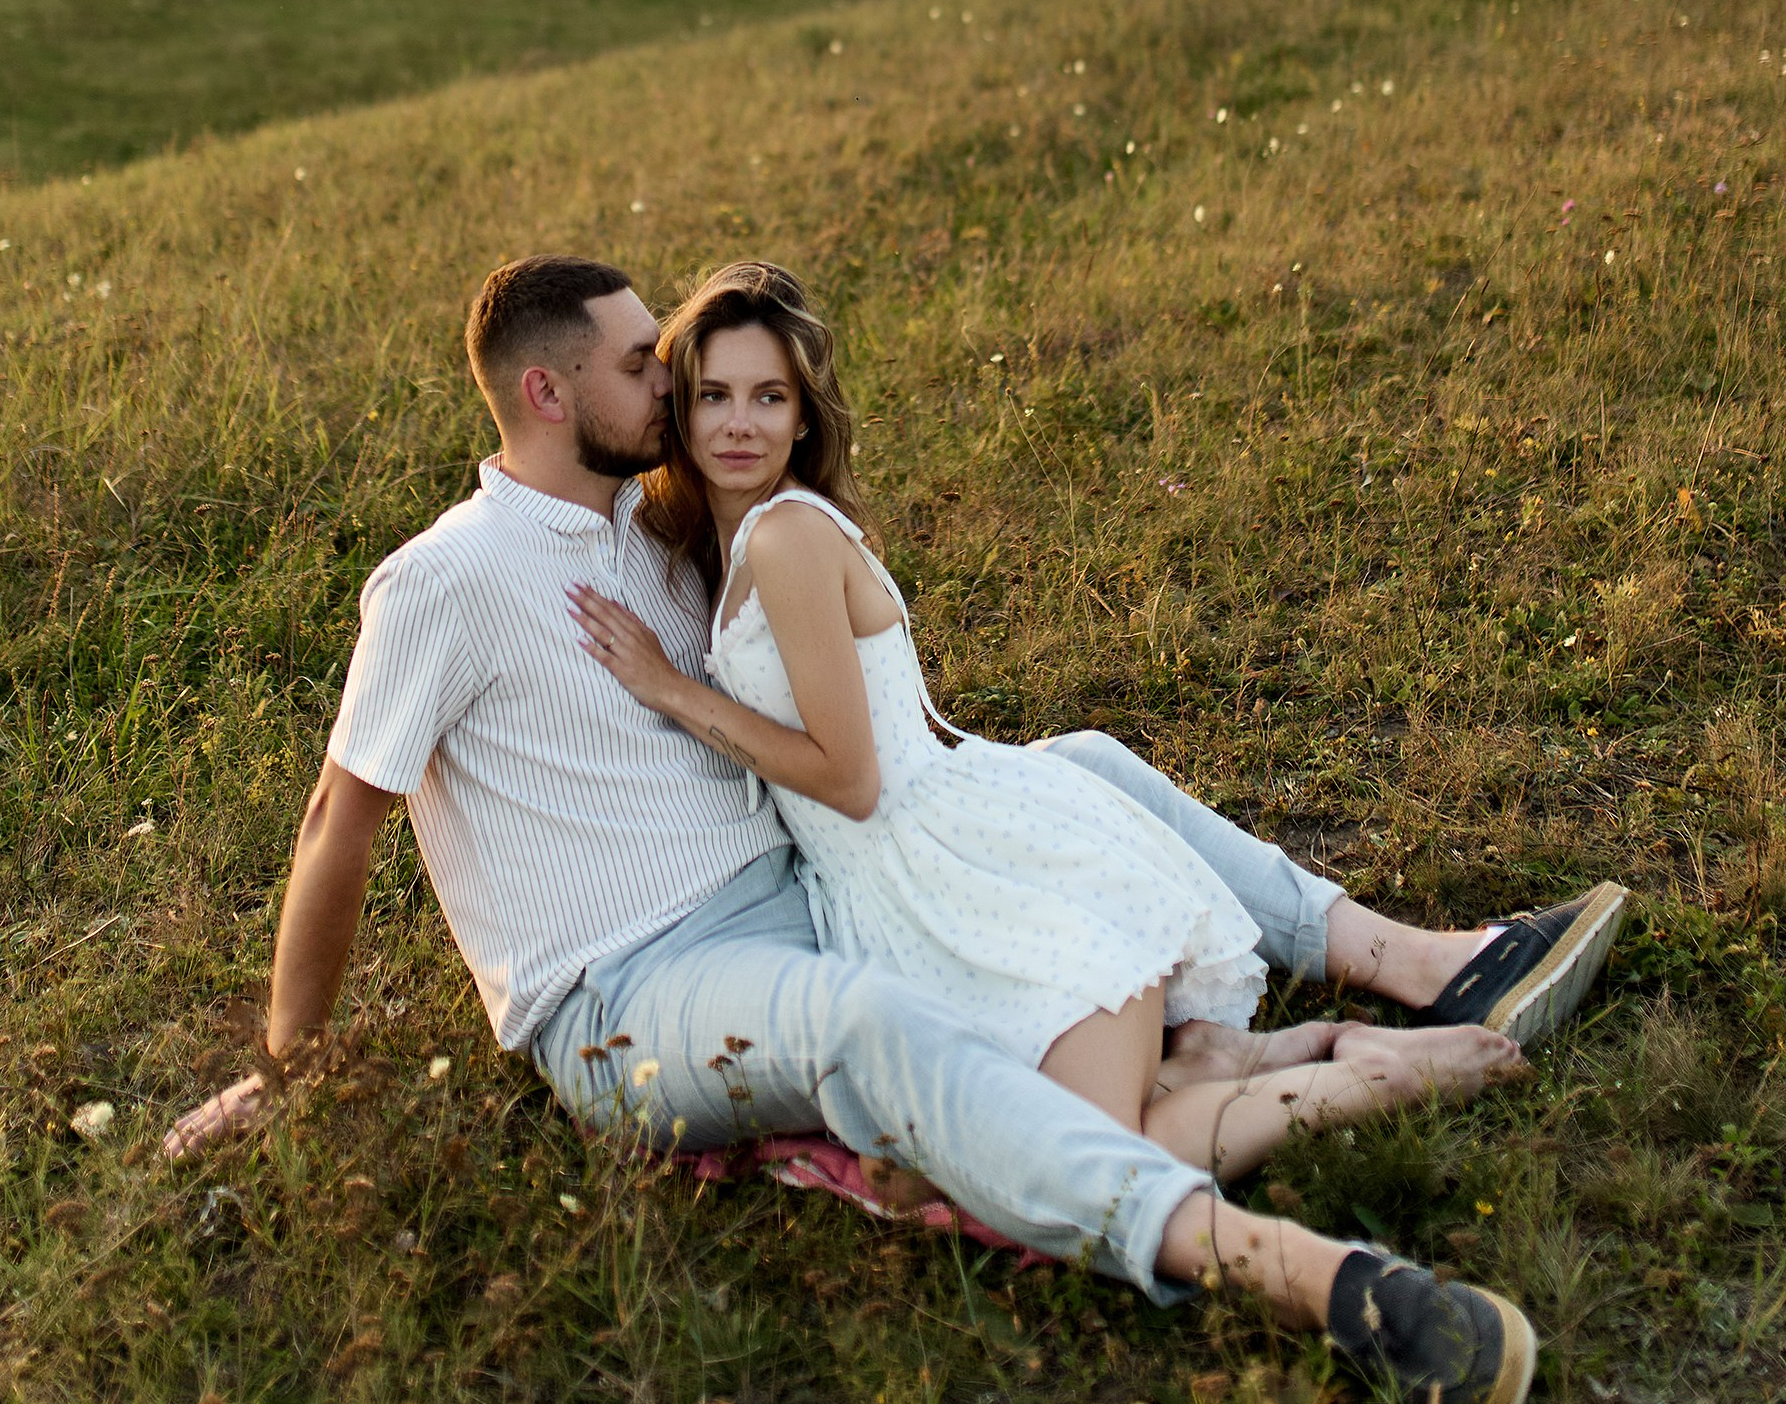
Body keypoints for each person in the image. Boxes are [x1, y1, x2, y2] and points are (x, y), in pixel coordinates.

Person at [165, 253, 1627, 1404]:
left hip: (805, 891)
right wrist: (289, 1069)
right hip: (628, 990)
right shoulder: (440, 581)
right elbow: (337, 819)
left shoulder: (655, 529)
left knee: (1067, 774)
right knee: (860, 1023)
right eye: (642, 364)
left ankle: (1407, 968)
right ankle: (1306, 1275)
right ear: (546, 392)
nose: (671, 384)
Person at [564, 260, 1558, 1196]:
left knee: (1101, 1154)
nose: (738, 423)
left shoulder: (785, 537)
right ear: (681, 407)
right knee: (1027, 1144)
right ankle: (1263, 1055)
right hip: (888, 893)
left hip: (952, 866)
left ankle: (1378, 1078)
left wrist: (672, 690)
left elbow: (849, 779)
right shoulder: (743, 536)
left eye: (768, 397)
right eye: (714, 395)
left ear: (802, 417)